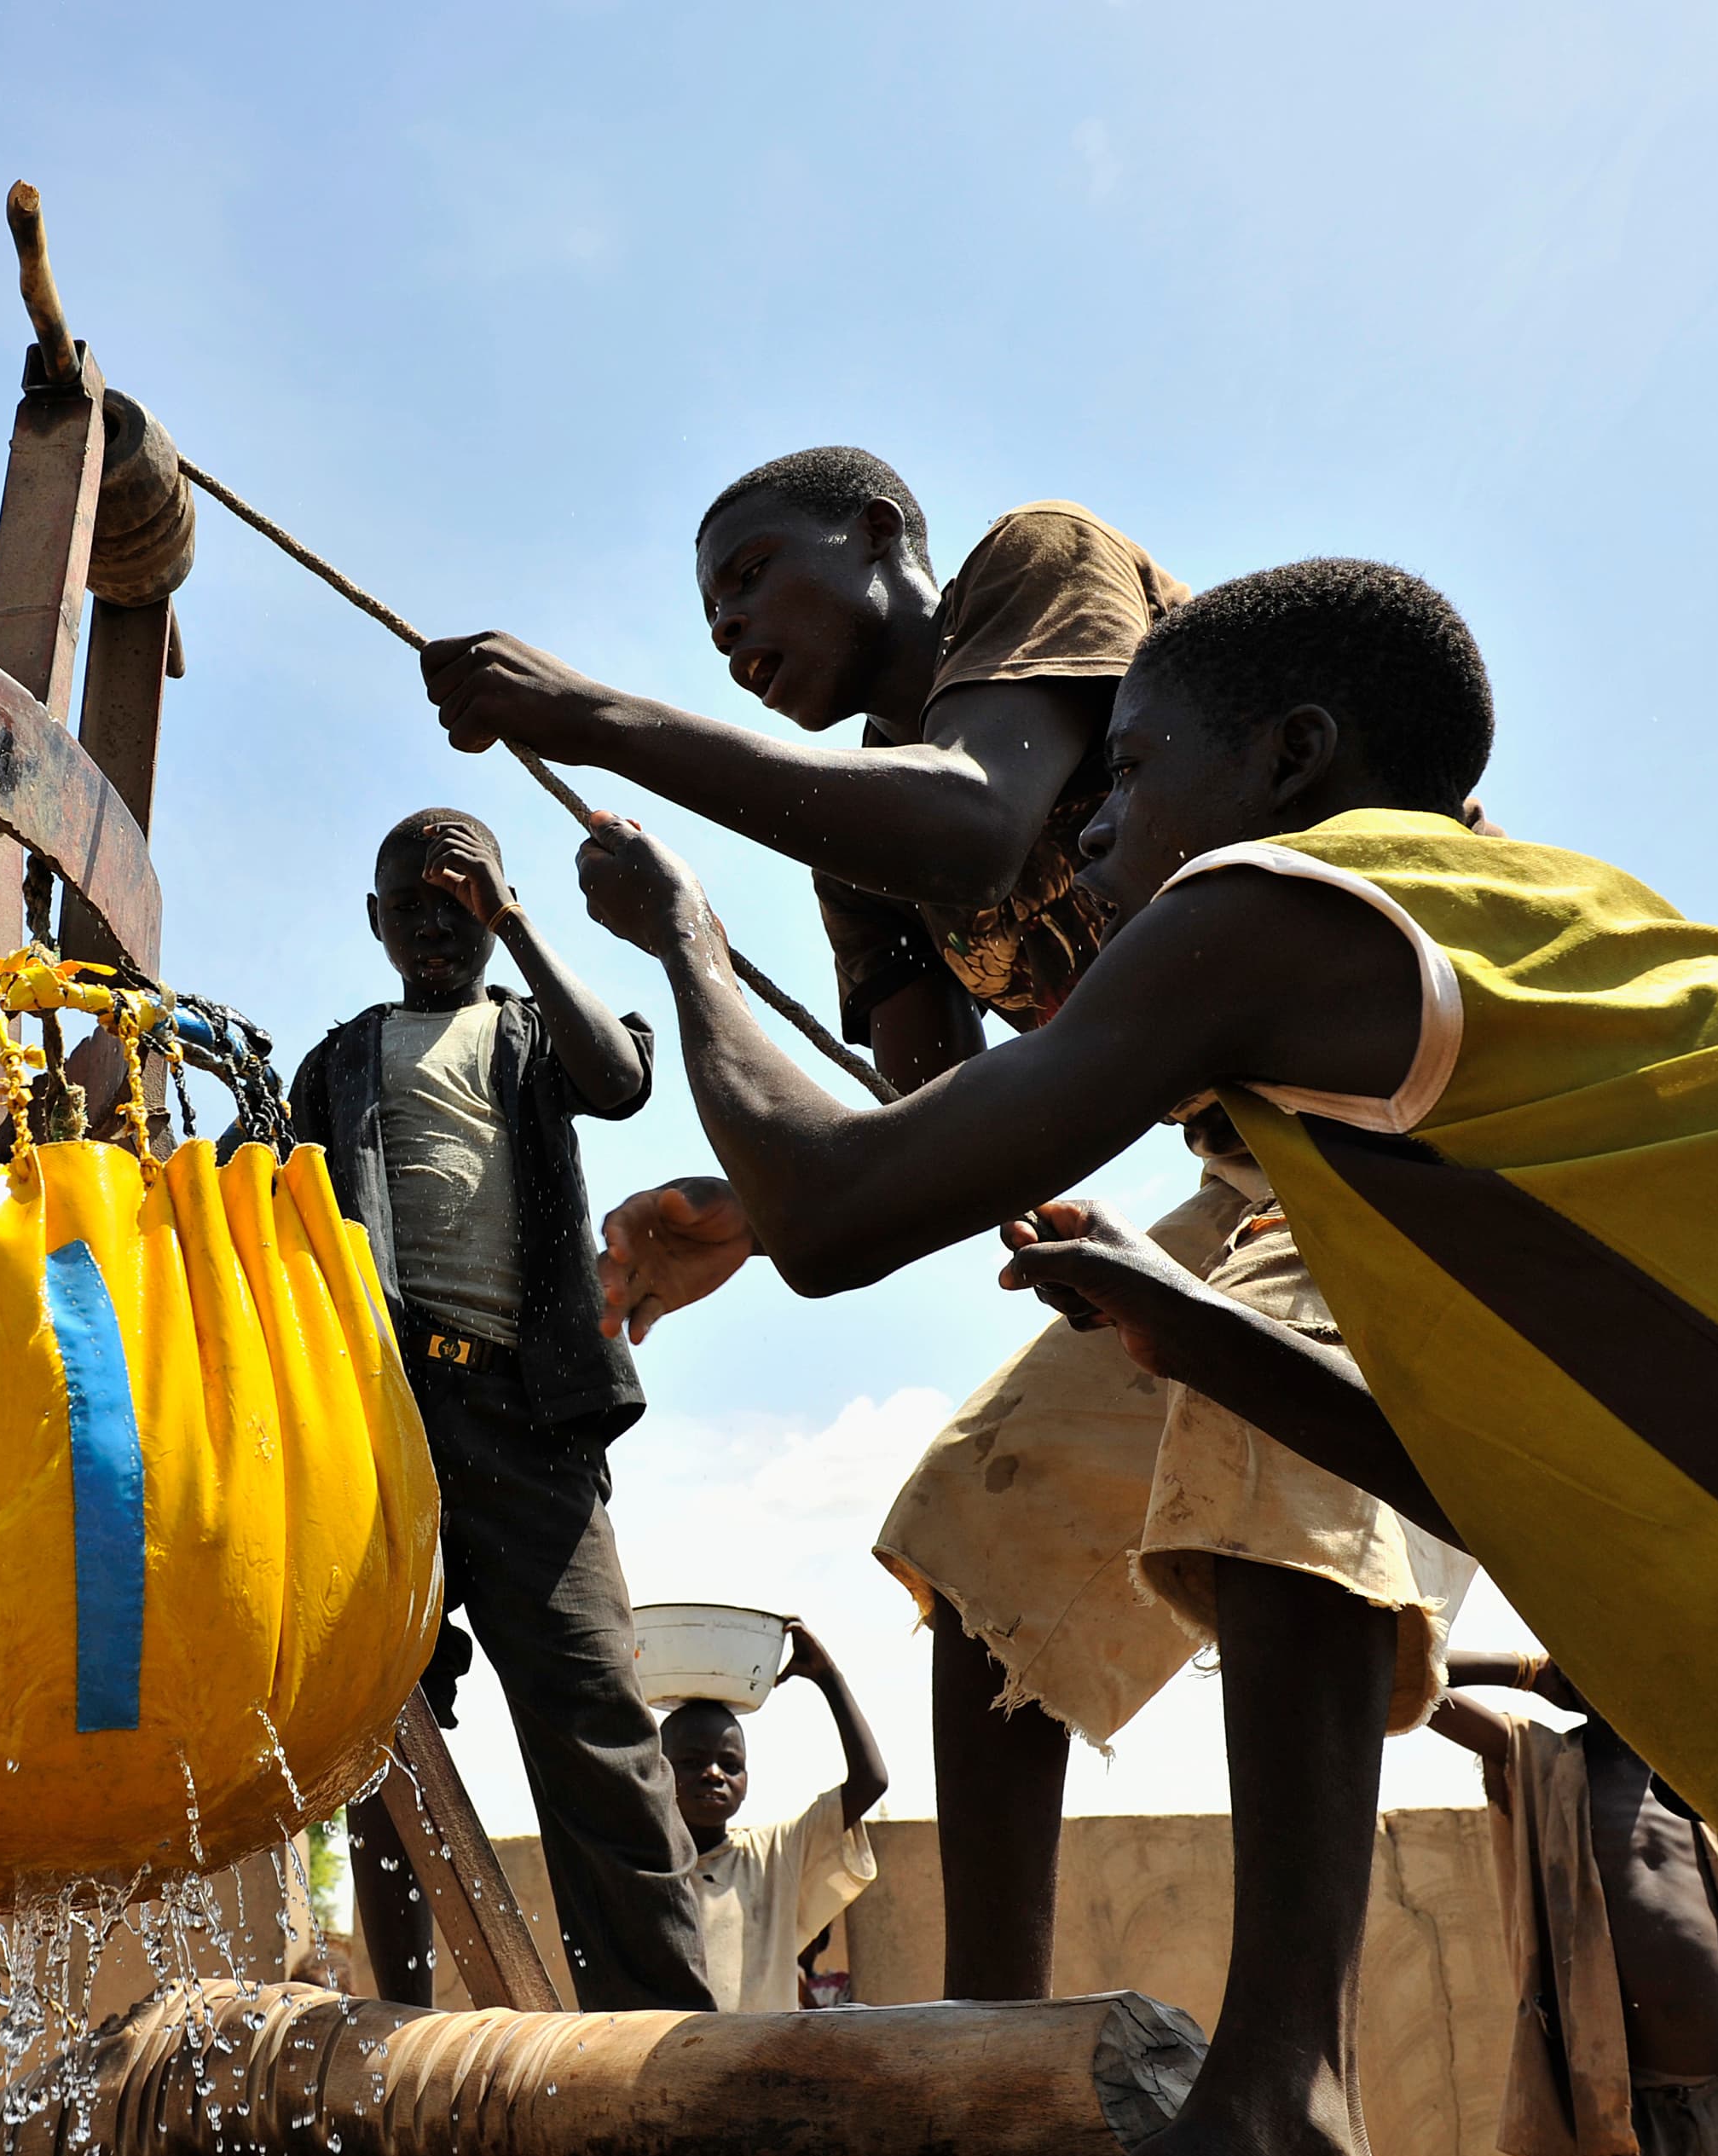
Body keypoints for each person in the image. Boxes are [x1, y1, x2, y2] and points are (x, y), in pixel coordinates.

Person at [569, 551, 1718, 2156]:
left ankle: (1291, 2078)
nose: (1088, 829)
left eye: (1128, 772)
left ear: (1290, 759)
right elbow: (1514, 1480)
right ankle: (1036, 2039)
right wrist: (1190, 1329)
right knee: (1005, 1497)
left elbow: (845, 1207)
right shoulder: (1487, 1043)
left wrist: (679, 930)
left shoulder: (1286, 901)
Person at [421, 453, 1472, 2032]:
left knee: (1260, 1445)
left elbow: (980, 826)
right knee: (983, 1530)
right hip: (1254, 1162)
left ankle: (1286, 2072)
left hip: (1415, 1097)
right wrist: (751, 1215)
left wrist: (588, 722)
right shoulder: (858, 857)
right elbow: (943, 1141)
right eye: (705, 607)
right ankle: (994, 2062)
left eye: (753, 573)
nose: (727, 629)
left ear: (882, 538)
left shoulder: (1032, 569)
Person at [287, 807, 711, 2013]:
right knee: (381, 1728)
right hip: (388, 1427)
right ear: (374, 923)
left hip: (530, 1419)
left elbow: (623, 1080)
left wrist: (520, 922)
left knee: (599, 1724)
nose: (434, 920)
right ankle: (404, 2024)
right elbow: (252, 1198)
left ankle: (660, 2035)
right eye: (409, 903)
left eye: (458, 900)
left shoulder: (525, 1032)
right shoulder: (338, 1063)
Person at [1430, 1654, 1718, 2156]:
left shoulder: (1704, 1779)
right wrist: (1525, 1671)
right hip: (1629, 2119)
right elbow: (1404, 1670)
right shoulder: (1543, 1764)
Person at [662, 1617, 887, 2014]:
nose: (713, 1774)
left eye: (730, 1765)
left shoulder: (773, 1857)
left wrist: (828, 1678)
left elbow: (871, 1781)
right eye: (693, 1762)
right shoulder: (644, 1865)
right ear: (658, 1773)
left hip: (764, 2069)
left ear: (747, 1781)